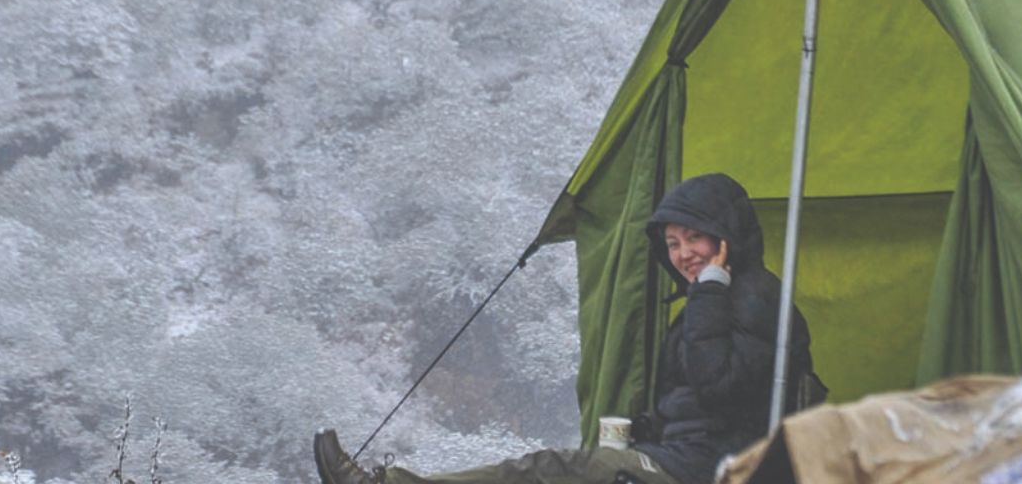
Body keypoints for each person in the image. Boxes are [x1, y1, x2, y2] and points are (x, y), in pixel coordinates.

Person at [314, 173, 816, 484]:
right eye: (672, 242)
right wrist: (642, 430)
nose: (683, 254)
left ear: (726, 237)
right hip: (680, 460)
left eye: (696, 238)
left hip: (705, 472)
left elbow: (719, 387)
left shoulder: (754, 296)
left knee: (550, 471)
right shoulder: (713, 301)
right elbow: (698, 402)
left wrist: (708, 290)